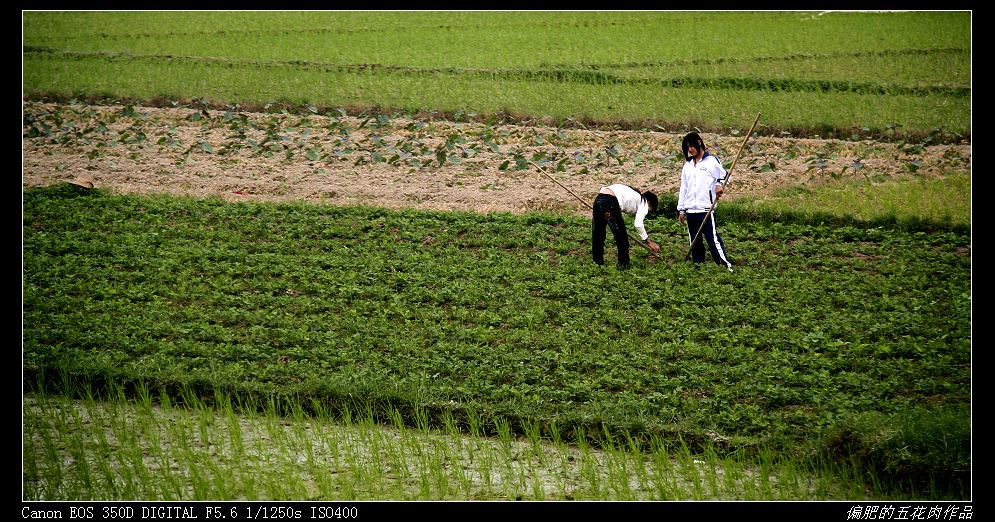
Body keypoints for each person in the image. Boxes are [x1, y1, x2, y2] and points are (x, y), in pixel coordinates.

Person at [677, 132, 734, 272]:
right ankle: (698, 266)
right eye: (687, 147)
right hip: (691, 210)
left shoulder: (711, 161)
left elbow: (725, 177)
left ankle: (724, 266)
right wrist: (681, 209)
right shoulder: (688, 165)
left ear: (699, 142)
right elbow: (684, 187)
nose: (690, 149)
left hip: (706, 209)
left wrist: (719, 185)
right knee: (694, 241)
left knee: (712, 239)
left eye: (692, 146)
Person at [592, 184, 660, 269]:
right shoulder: (644, 202)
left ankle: (597, 263)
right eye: (650, 210)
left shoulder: (633, 194)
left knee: (598, 234)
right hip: (610, 201)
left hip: (599, 198)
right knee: (621, 237)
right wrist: (648, 241)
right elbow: (638, 224)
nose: (648, 212)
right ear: (650, 204)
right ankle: (624, 265)